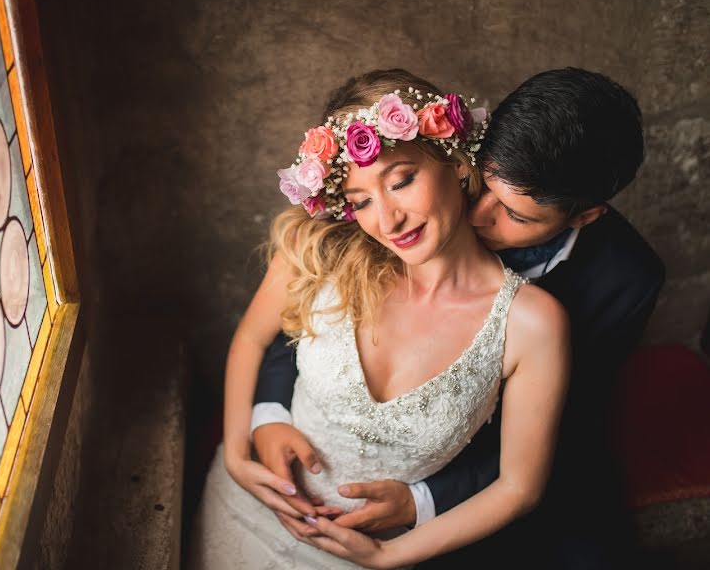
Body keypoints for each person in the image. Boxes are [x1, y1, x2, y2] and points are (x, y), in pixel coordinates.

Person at [250, 67, 665, 568]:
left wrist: (424, 499)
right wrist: (268, 415)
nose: (477, 212)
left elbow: (566, 426)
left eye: (515, 214)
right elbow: (311, 312)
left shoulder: (626, 279)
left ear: (583, 217)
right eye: (481, 184)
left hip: (486, 470)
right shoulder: (429, 177)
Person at [188, 69, 570, 569]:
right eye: (361, 201)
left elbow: (520, 488)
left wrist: (387, 556)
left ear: (455, 163)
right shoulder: (323, 253)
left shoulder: (532, 324)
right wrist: (239, 453)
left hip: (373, 554)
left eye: (402, 181)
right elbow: (251, 340)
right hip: (247, 510)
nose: (388, 220)